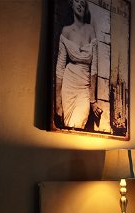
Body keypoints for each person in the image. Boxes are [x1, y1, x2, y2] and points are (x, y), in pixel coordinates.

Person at [55, 0, 102, 129]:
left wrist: (93, 100)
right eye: (77, 1)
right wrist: (58, 102)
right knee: (68, 126)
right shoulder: (66, 31)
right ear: (72, 4)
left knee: (79, 122)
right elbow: (60, 67)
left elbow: (94, 68)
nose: (80, 5)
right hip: (68, 85)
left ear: (85, 7)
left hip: (84, 88)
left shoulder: (90, 30)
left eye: (83, 2)